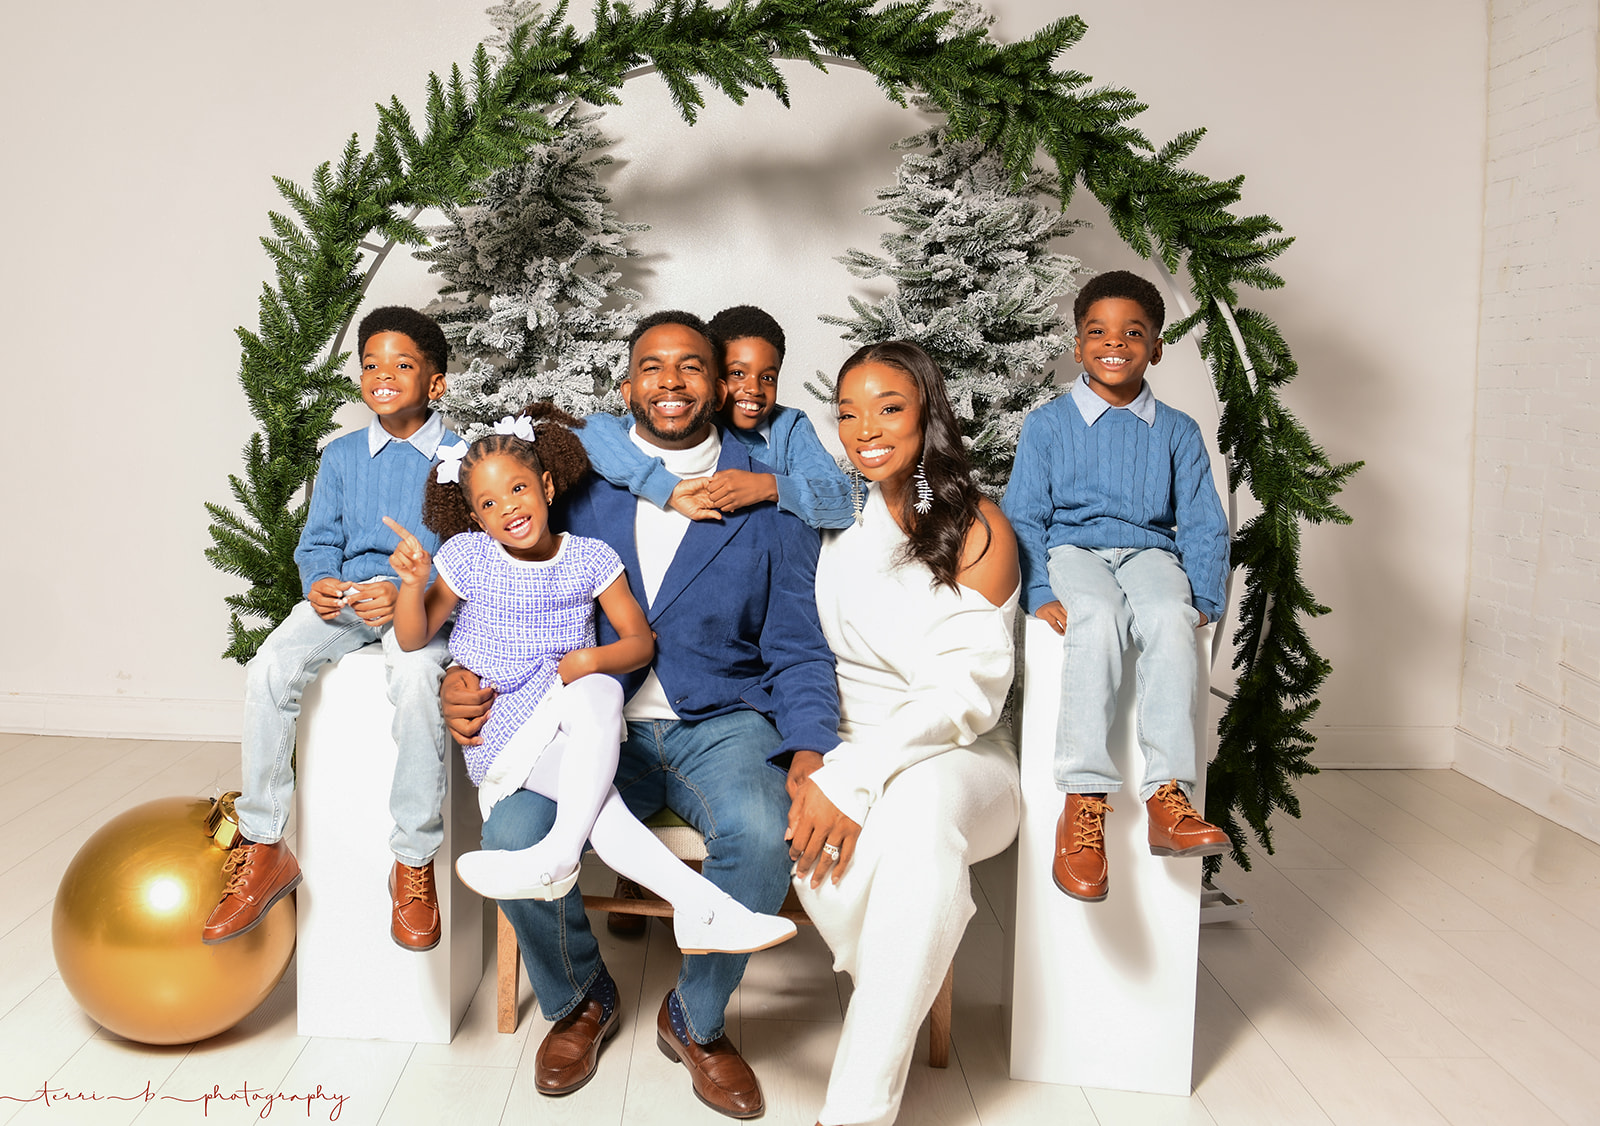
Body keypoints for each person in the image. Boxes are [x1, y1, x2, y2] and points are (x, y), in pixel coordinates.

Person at [442, 311, 838, 1116]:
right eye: (652, 367)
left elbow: (798, 645)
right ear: (626, 386)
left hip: (721, 721)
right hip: (584, 722)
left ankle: (696, 1019)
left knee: (763, 835)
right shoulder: (573, 487)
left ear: (720, 384)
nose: (671, 382)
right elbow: (492, 595)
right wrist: (457, 675)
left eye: (692, 366)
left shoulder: (767, 500)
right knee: (516, 834)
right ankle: (580, 998)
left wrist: (809, 752)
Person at [383, 404, 796, 957]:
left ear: (547, 485)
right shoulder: (468, 557)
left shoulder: (590, 559)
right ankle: (697, 908)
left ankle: (578, 862)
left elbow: (639, 644)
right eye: (488, 503)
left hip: (570, 710)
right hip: (506, 727)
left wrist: (587, 663)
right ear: (475, 517)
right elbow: (413, 637)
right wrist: (412, 584)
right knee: (599, 804)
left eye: (518, 490)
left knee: (600, 692)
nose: (508, 508)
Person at [788, 340, 1022, 1126]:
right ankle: (897, 973)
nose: (865, 429)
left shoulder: (977, 526)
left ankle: (855, 1110)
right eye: (847, 413)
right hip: (840, 763)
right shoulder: (833, 521)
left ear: (929, 413)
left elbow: (966, 696)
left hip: (960, 762)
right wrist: (816, 761)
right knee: (904, 875)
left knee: (920, 817)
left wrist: (853, 779)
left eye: (889, 407)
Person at [204, 306, 457, 952]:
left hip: (417, 602)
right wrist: (319, 579)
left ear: (436, 383)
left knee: (420, 676)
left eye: (403, 364)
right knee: (271, 668)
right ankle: (263, 846)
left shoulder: (461, 457)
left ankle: (413, 861)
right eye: (370, 364)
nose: (382, 375)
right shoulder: (342, 456)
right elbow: (318, 543)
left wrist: (409, 590)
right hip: (344, 601)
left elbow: (469, 553)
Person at [1000, 269, 1231, 903]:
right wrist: (1040, 589)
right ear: (1077, 345)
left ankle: (1167, 796)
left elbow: (1205, 519)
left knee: (1167, 618)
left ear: (1156, 346)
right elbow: (1024, 514)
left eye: (1133, 333)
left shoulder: (1179, 430)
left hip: (1151, 552)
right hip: (1074, 552)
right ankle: (1083, 800)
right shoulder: (1048, 425)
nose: (1114, 343)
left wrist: (1203, 596)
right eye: (1097, 332)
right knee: (1095, 619)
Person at [581, 304, 855, 528]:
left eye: (768, 377)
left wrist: (770, 486)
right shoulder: (681, 416)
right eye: (737, 373)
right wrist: (665, 486)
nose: (753, 388)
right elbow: (588, 432)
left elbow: (849, 503)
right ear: (715, 382)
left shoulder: (788, 426)